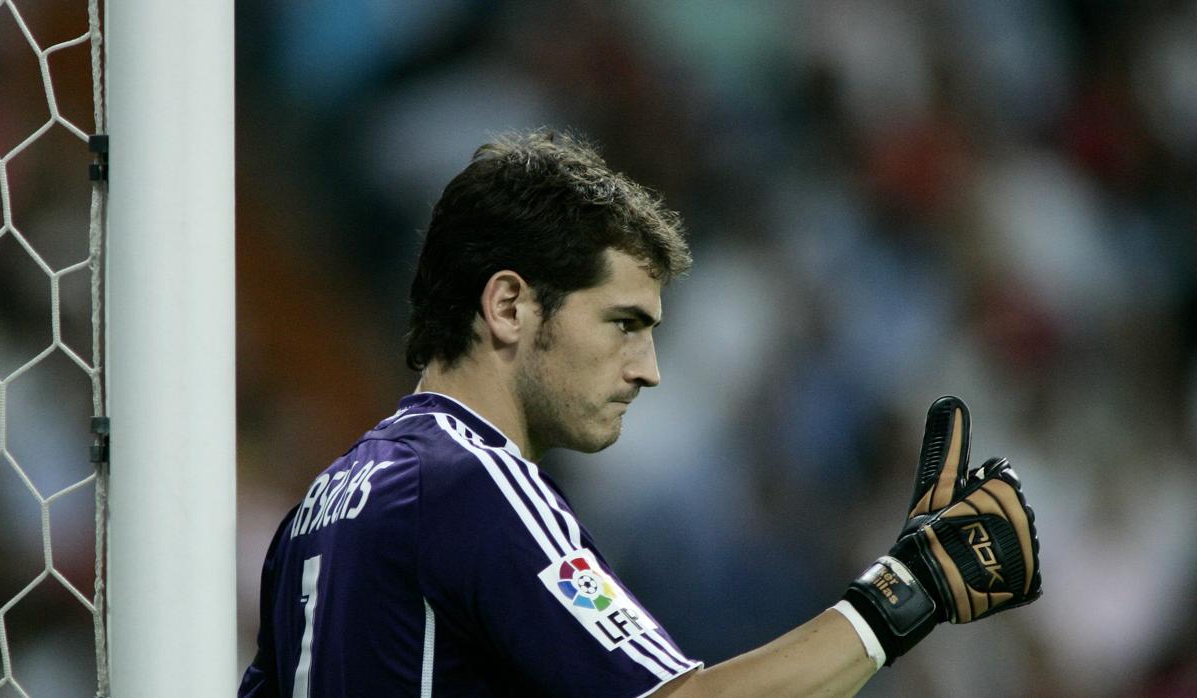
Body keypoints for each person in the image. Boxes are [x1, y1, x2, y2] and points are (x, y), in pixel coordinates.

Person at [239, 130, 1042, 697]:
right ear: (509, 306)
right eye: (623, 323)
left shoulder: (318, 510)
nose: (648, 369)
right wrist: (907, 591)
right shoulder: (473, 485)